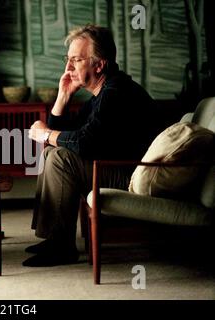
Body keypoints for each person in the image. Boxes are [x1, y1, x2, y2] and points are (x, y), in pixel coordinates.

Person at [26, 24, 161, 267]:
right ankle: (53, 239)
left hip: (132, 174)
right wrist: (62, 97)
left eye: (76, 60)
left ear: (99, 65)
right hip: (117, 167)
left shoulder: (116, 93)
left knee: (59, 158)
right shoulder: (101, 93)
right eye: (67, 60)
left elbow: (83, 143)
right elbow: (69, 135)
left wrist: (46, 134)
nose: (68, 68)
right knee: (52, 152)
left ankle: (60, 246)